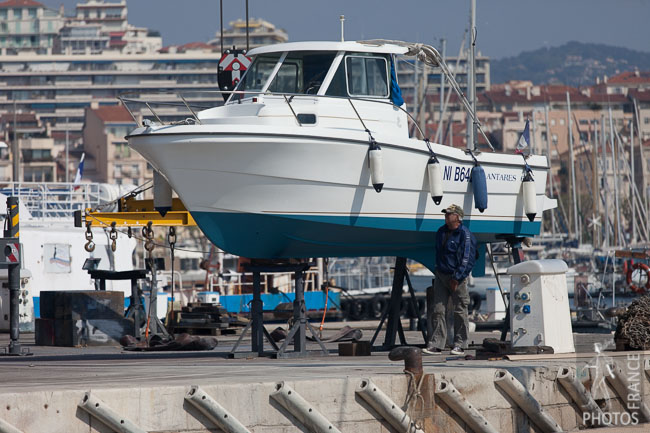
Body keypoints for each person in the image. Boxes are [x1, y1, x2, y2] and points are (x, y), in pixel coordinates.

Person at [424, 204, 477, 355]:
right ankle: (437, 344)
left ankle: (461, 344)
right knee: (438, 309)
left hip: (457, 278)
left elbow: (467, 259)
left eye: (449, 214)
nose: (446, 216)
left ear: (458, 217)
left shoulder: (465, 235)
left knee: (460, 310)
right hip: (441, 275)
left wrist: (457, 278)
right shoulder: (441, 231)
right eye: (446, 214)